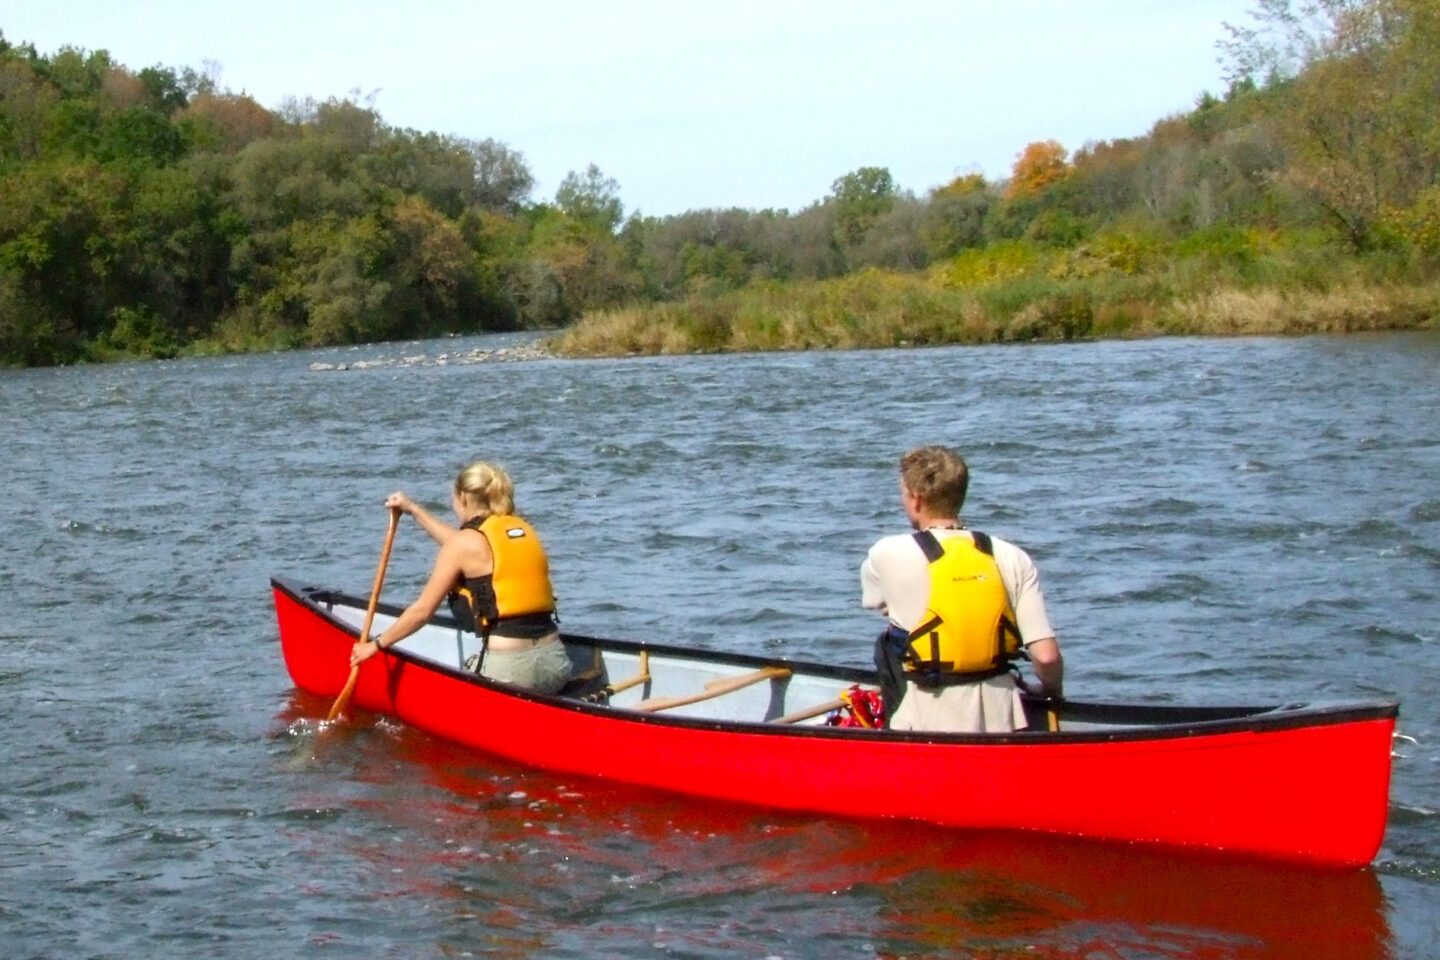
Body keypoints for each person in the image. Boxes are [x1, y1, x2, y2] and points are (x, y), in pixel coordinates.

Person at [860, 445, 1063, 732]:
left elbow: (879, 604)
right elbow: (1046, 656)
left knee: (891, 641)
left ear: (916, 500)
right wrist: (1052, 692)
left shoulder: (885, 553)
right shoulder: (1012, 556)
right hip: (1003, 718)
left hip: (923, 721)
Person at [349, 460, 573, 694]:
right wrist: (413, 509)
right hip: (556, 664)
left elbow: (422, 611)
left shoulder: (464, 544)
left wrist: (374, 646)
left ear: (463, 497)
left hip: (510, 672)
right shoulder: (521, 529)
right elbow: (461, 544)